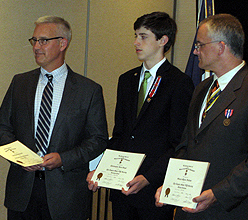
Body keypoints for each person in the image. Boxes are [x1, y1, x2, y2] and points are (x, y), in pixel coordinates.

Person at [0, 15, 108, 220]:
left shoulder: (88, 90)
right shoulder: (20, 83)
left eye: (44, 40)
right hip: (22, 192)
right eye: (34, 40)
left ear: (63, 43)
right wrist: (19, 157)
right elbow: (1, 127)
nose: (36, 46)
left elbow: (97, 140)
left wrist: (64, 158)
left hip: (67, 195)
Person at [87, 12, 194, 220]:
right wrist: (100, 170)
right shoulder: (126, 79)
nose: (136, 42)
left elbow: (178, 143)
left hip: (152, 190)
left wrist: (148, 177)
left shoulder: (178, 83)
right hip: (121, 189)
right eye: (136, 35)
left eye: (143, 36)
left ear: (163, 40)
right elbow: (119, 135)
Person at [155, 14, 248, 219]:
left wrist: (218, 194)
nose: (195, 51)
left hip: (228, 210)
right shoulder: (202, 88)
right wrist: (172, 183)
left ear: (221, 47)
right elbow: (186, 144)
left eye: (200, 45)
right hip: (189, 210)